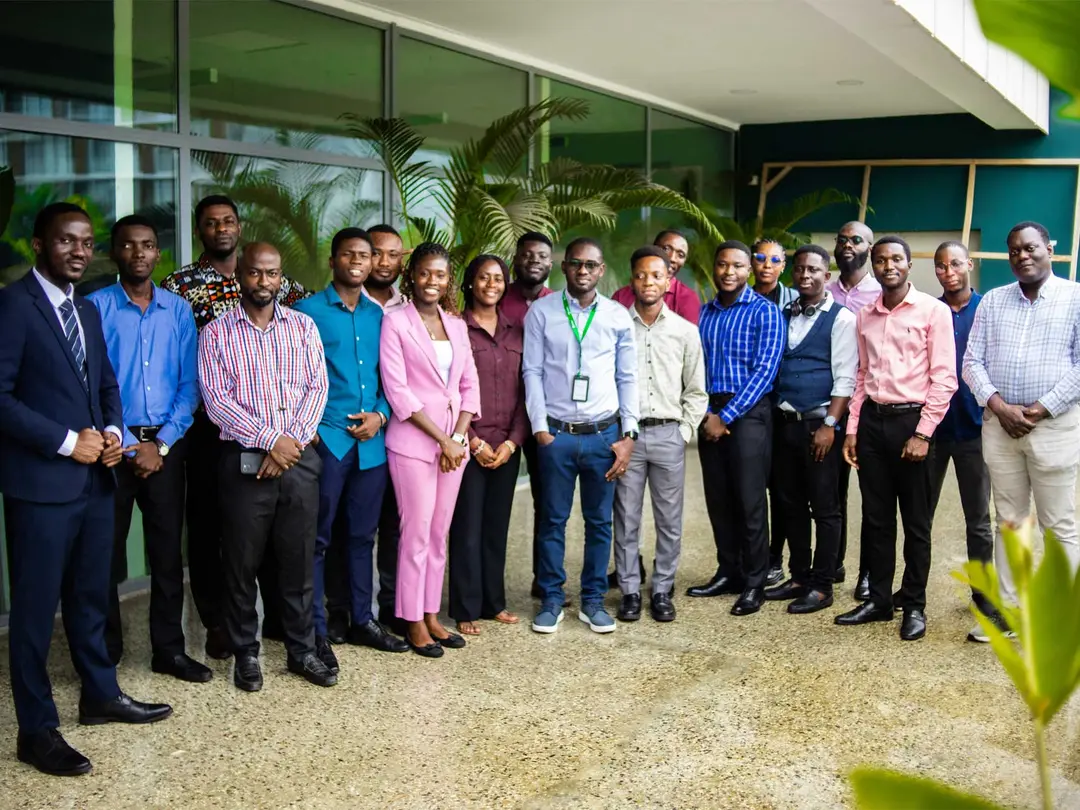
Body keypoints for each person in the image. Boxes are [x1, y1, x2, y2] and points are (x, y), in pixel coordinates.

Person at [0, 203, 172, 777]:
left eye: (85, 242)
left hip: (98, 481)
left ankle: (99, 695)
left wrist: (115, 432)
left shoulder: (88, 311)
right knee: (33, 612)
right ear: (37, 246)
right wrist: (66, 439)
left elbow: (105, 385)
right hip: (42, 485)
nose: (79, 251)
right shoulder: (13, 307)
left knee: (91, 597)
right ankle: (37, 730)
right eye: (65, 241)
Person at [162, 194, 307, 658]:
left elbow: (307, 341)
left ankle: (277, 620)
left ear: (239, 227)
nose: (220, 228)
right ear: (199, 230)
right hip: (211, 427)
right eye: (210, 222)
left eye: (228, 220)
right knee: (208, 528)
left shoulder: (283, 286)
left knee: (263, 527)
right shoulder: (179, 286)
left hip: (277, 430)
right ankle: (219, 624)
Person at [198, 242, 333, 690]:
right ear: (240, 276)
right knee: (240, 565)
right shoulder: (217, 333)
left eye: (272, 274)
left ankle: (301, 651)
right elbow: (218, 403)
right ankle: (246, 655)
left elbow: (317, 387)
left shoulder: (303, 327)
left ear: (281, 278)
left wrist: (287, 445)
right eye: (255, 273)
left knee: (296, 563)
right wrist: (271, 440)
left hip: (298, 464)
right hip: (243, 464)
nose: (264, 282)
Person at [89, 216, 206, 681]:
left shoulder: (178, 310)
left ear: (159, 254)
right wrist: (116, 439)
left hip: (166, 445)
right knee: (104, 555)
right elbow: (91, 383)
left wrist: (160, 443)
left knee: (165, 556)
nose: (139, 253)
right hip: (111, 451)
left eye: (149, 245)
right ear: (115, 253)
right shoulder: (94, 307)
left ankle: (169, 651)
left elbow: (189, 385)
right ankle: (106, 652)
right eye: (129, 246)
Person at [294, 228, 408, 670]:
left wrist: (380, 415)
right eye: (350, 254)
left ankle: (362, 619)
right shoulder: (306, 314)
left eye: (365, 255)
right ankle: (317, 631)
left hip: (372, 446)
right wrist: (315, 428)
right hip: (329, 441)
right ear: (333, 260)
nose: (359, 261)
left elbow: (391, 378)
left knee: (363, 537)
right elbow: (298, 376)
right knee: (318, 540)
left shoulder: (383, 317)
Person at [836, 236, 957, 641]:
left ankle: (915, 605)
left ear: (908, 265)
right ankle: (879, 600)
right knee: (876, 518)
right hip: (872, 423)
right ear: (873, 264)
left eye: (897, 259)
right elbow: (860, 376)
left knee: (917, 523)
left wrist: (924, 433)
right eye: (881, 259)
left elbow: (945, 378)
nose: (889, 265)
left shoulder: (933, 311)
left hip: (912, 424)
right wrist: (852, 429)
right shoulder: (865, 316)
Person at [963, 221, 1080, 624]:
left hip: (1054, 427)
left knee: (1059, 524)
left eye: (1031, 248)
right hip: (1000, 428)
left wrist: (1042, 407)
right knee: (1009, 521)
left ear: (1050, 248)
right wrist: (999, 405)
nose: (1022, 256)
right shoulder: (993, 301)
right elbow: (971, 362)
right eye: (1014, 251)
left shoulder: (1074, 298)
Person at [523, 237, 639, 634]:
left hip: (603, 436)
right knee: (553, 520)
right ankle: (552, 598)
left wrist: (629, 434)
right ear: (565, 268)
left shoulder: (617, 316)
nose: (583, 271)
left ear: (601, 270)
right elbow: (532, 372)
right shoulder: (541, 312)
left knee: (599, 522)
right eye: (576, 264)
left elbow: (628, 377)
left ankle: (592, 601)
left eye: (591, 265)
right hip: (556, 435)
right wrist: (539, 427)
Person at [379, 243, 480, 657]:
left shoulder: (456, 324)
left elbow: (468, 384)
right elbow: (397, 390)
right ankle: (412, 620)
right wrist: (441, 440)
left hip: (452, 447)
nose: (432, 282)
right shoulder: (395, 322)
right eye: (424, 274)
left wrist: (456, 438)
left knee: (439, 534)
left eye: (440, 275)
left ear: (448, 280)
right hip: (413, 445)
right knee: (415, 535)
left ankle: (432, 613)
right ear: (411, 276)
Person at [688, 240, 785, 615]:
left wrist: (725, 417)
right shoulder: (705, 313)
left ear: (750, 270)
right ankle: (728, 570)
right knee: (719, 499)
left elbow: (765, 371)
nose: (729, 272)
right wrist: (705, 414)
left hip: (747, 414)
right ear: (715, 268)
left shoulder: (765, 312)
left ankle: (755, 582)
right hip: (709, 411)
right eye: (723, 265)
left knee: (749, 500)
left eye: (738, 266)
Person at [612, 246, 706, 623]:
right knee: (626, 517)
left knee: (669, 520)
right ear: (631, 279)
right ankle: (631, 590)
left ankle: (663, 589)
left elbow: (697, 391)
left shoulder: (686, 332)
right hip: (628, 439)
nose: (648, 281)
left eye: (656, 275)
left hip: (669, 435)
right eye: (640, 275)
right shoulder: (617, 326)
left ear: (668, 281)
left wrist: (683, 432)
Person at [764, 244, 857, 614]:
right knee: (789, 505)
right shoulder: (783, 313)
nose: (805, 275)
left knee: (825, 507)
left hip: (820, 425)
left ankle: (822, 584)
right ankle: (799, 575)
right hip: (784, 424)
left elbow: (846, 378)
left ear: (827, 277)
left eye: (813, 270)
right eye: (800, 269)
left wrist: (831, 424)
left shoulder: (842, 319)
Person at [448, 255, 529, 635]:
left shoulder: (517, 332)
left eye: (498, 278)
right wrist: (474, 441)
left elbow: (526, 393)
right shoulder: (456, 329)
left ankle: (493, 602)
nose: (491, 284)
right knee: (467, 527)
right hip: (468, 444)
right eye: (483, 277)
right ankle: (464, 607)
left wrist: (513, 443)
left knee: (496, 527)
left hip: (507, 447)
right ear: (470, 283)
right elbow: (451, 393)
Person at [929, 241, 998, 641]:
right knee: (921, 515)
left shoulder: (987, 309)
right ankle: (913, 589)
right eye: (941, 265)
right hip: (934, 430)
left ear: (969, 264)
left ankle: (985, 598)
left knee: (979, 522)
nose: (949, 271)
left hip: (976, 430)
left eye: (956, 263)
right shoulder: (931, 310)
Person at [499, 231, 557, 601]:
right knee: (496, 504)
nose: (533, 260)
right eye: (527, 254)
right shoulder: (495, 298)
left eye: (541, 256)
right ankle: (489, 585)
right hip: (499, 418)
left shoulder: (560, 305)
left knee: (547, 502)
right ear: (515, 259)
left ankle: (544, 578)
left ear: (551, 264)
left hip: (542, 419)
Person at [826, 221, 880, 599]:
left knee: (873, 496)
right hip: (831, 405)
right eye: (842, 239)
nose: (848, 245)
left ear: (870, 247)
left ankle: (868, 573)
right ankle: (833, 563)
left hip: (869, 406)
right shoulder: (823, 291)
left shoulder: (882, 293)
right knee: (833, 493)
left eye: (856, 239)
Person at [362, 223, 409, 634]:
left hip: (400, 433)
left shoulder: (410, 307)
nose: (384, 262)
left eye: (393, 255)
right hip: (351, 435)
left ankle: (393, 607)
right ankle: (348, 611)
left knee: (396, 527)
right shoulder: (341, 302)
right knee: (352, 530)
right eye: (377, 252)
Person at [752, 237, 798, 587]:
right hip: (750, 406)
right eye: (760, 258)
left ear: (784, 266)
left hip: (784, 406)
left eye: (774, 259)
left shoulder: (796, 302)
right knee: (752, 485)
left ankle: (775, 558)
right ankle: (750, 557)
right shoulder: (739, 298)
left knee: (782, 489)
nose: (766, 265)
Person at [612, 230, 702, 324]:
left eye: (680, 255)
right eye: (666, 249)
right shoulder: (621, 296)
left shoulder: (687, 298)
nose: (672, 258)